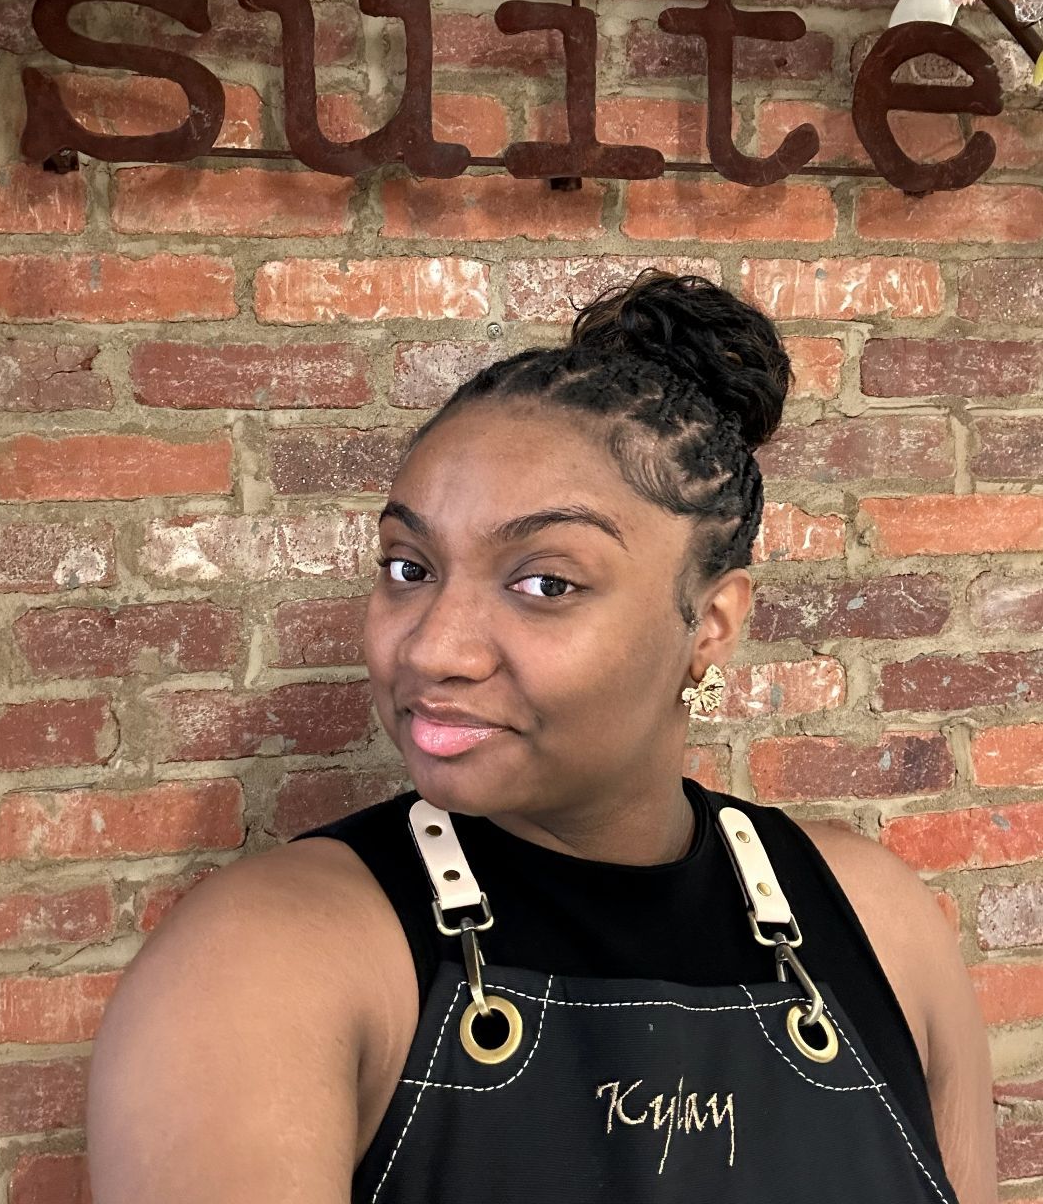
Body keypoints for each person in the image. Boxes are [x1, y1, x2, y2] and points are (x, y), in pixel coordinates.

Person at [85, 269, 996, 1204]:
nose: (434, 648)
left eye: (546, 584)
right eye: (409, 566)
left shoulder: (878, 921)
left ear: (712, 622)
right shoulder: (267, 958)